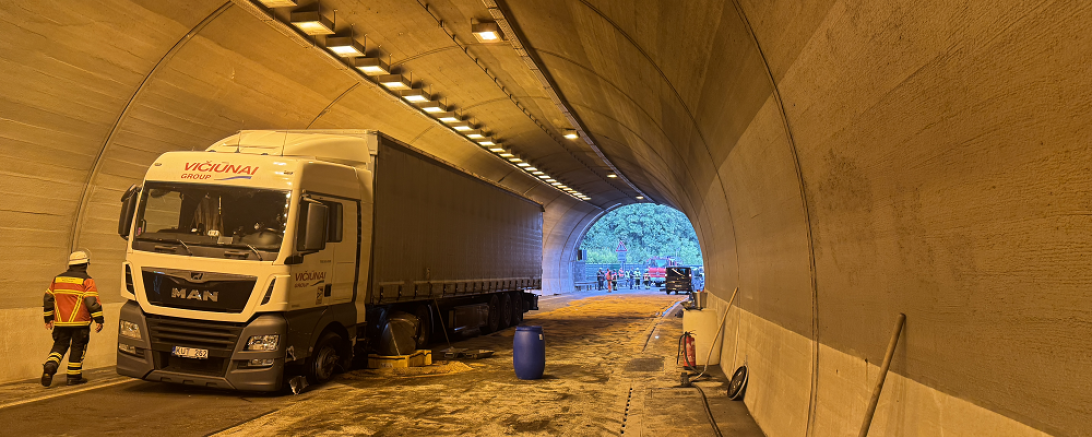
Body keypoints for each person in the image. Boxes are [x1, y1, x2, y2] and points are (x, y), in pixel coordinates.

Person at [41, 250, 104, 387]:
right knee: (77, 347)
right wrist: (99, 320)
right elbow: (91, 302)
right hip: (80, 323)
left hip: (61, 323)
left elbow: (48, 298)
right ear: (85, 264)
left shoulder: (57, 279)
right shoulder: (87, 280)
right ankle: (73, 377)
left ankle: (50, 367)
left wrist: (48, 318)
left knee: (59, 345)